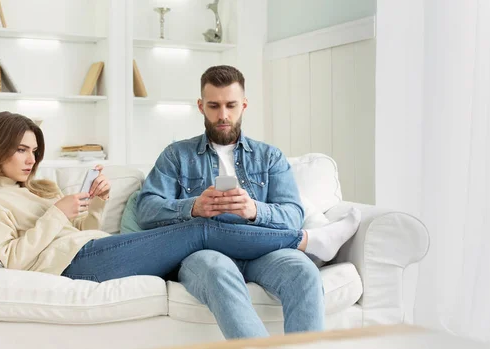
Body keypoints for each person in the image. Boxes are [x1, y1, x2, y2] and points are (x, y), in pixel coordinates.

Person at [137, 65, 361, 339]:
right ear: (200, 106)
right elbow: (146, 209)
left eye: (231, 105)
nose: (223, 115)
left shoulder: (269, 157)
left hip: (263, 253)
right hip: (204, 254)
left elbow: (292, 214)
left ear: (244, 105)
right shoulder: (176, 155)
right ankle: (311, 241)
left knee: (303, 272)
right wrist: (193, 207)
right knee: (218, 271)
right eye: (214, 106)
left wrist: (255, 210)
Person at [0, 111, 317, 283]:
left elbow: (79, 230)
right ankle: (303, 240)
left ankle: (291, 242)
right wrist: (56, 214)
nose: (31, 159)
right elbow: (12, 260)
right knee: (198, 228)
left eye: (34, 151)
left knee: (204, 228)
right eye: (22, 150)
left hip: (92, 249)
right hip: (73, 266)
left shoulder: (38, 189)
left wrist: (94, 201)